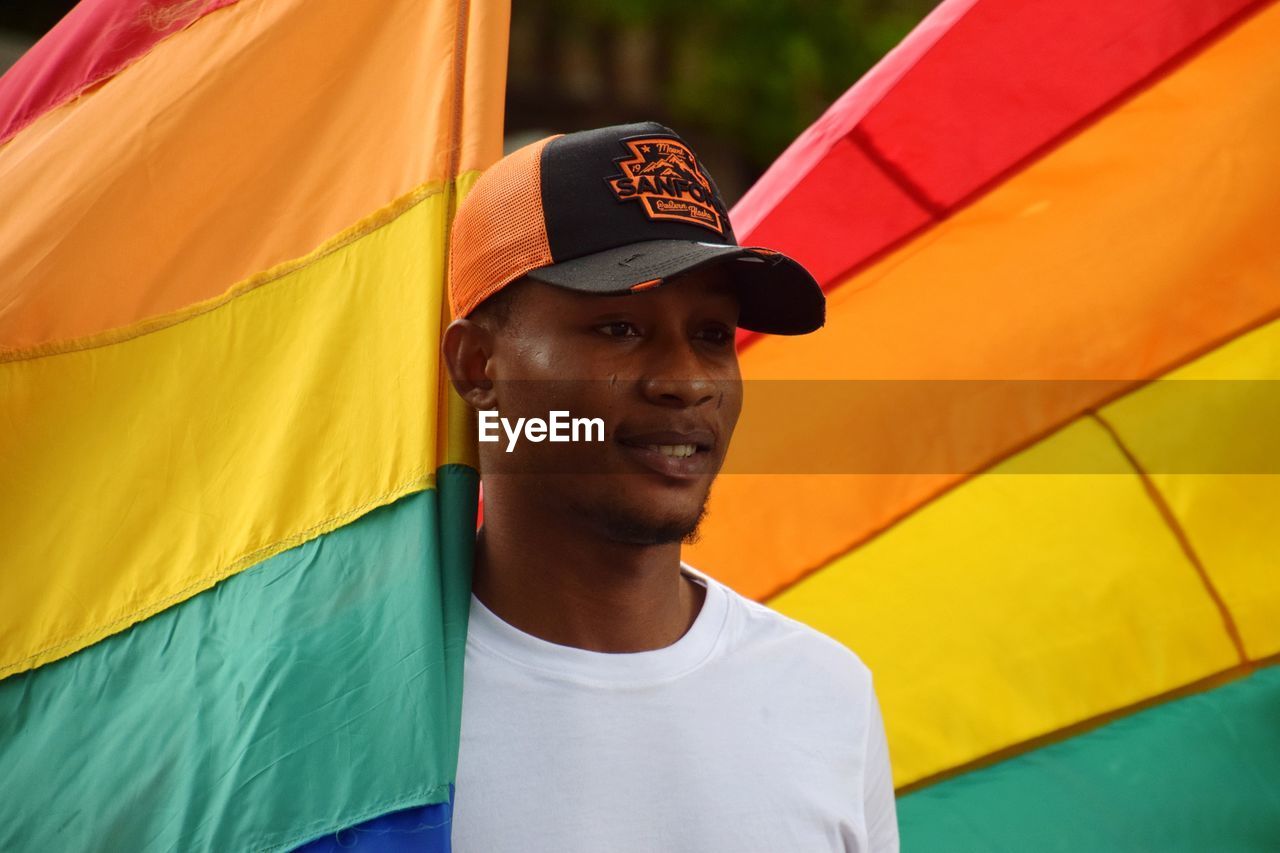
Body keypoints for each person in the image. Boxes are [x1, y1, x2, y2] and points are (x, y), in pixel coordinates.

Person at [442, 122, 899, 852]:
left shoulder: (825, 695)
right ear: (478, 365)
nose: (686, 382)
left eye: (714, 335)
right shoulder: (349, 703)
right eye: (620, 327)